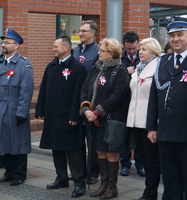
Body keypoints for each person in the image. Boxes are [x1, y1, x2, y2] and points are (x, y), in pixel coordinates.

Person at [147, 16, 187, 200]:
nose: (176, 39)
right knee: (169, 178)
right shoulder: (163, 61)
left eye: (180, 35)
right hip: (166, 131)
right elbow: (154, 96)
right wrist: (152, 126)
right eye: (172, 36)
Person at [35, 35, 87, 198]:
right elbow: (44, 88)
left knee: (73, 150)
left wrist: (75, 116)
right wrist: (40, 108)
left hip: (69, 116)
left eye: (56, 46)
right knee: (56, 147)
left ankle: (79, 183)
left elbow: (79, 94)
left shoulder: (78, 68)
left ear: (66, 48)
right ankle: (61, 178)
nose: (53, 49)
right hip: (53, 115)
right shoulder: (52, 66)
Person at [80, 37, 130, 199]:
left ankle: (112, 187)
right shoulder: (95, 69)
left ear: (112, 53)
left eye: (102, 50)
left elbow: (119, 95)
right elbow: (85, 89)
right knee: (99, 151)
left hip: (111, 119)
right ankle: (103, 184)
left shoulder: (120, 70)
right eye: (99, 50)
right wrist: (86, 108)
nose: (99, 53)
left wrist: (98, 111)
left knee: (111, 152)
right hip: (94, 120)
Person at [0, 28, 34, 186]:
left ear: (16, 45)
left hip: (14, 108)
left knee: (18, 142)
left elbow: (26, 91)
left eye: (7, 42)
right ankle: (9, 171)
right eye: (3, 42)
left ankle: (19, 173)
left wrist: (21, 112)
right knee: (2, 141)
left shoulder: (24, 65)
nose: (3, 45)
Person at [126, 38, 162, 200]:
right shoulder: (138, 68)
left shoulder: (159, 67)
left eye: (144, 49)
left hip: (150, 121)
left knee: (152, 161)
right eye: (140, 49)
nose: (140, 52)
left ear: (154, 51)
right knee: (144, 159)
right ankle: (149, 192)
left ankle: (150, 194)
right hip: (135, 120)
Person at [73, 20, 100, 185]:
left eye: (84, 31)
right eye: (79, 31)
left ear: (93, 33)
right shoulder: (75, 50)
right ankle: (79, 171)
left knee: (92, 141)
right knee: (78, 140)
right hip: (76, 100)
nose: (80, 33)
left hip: (91, 101)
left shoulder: (97, 51)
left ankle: (92, 172)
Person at [120, 31, 145, 177]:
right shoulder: (120, 58)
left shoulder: (142, 57)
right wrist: (125, 70)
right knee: (124, 135)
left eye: (134, 48)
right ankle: (125, 164)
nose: (131, 51)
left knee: (139, 135)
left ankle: (140, 164)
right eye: (128, 49)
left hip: (139, 102)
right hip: (124, 102)